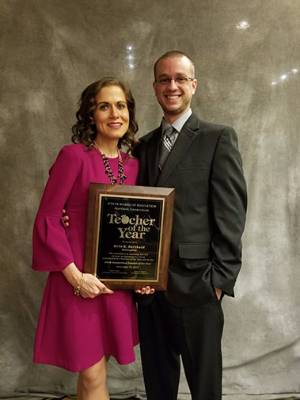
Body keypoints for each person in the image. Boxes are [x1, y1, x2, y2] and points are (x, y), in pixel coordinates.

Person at [134, 51, 247, 400]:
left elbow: (231, 212)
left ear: (193, 85)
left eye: (180, 78)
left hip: (199, 283)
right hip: (150, 291)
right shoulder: (143, 146)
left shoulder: (217, 138)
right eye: (164, 79)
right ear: (154, 87)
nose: (172, 86)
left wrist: (219, 280)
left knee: (205, 388)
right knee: (158, 385)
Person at [32, 77, 140, 400]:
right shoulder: (73, 156)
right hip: (77, 283)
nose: (114, 114)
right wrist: (76, 277)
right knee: (93, 376)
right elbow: (48, 219)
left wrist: (144, 275)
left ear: (129, 113)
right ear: (90, 114)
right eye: (104, 106)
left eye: (120, 105)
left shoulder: (134, 166)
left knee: (93, 375)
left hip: (116, 286)